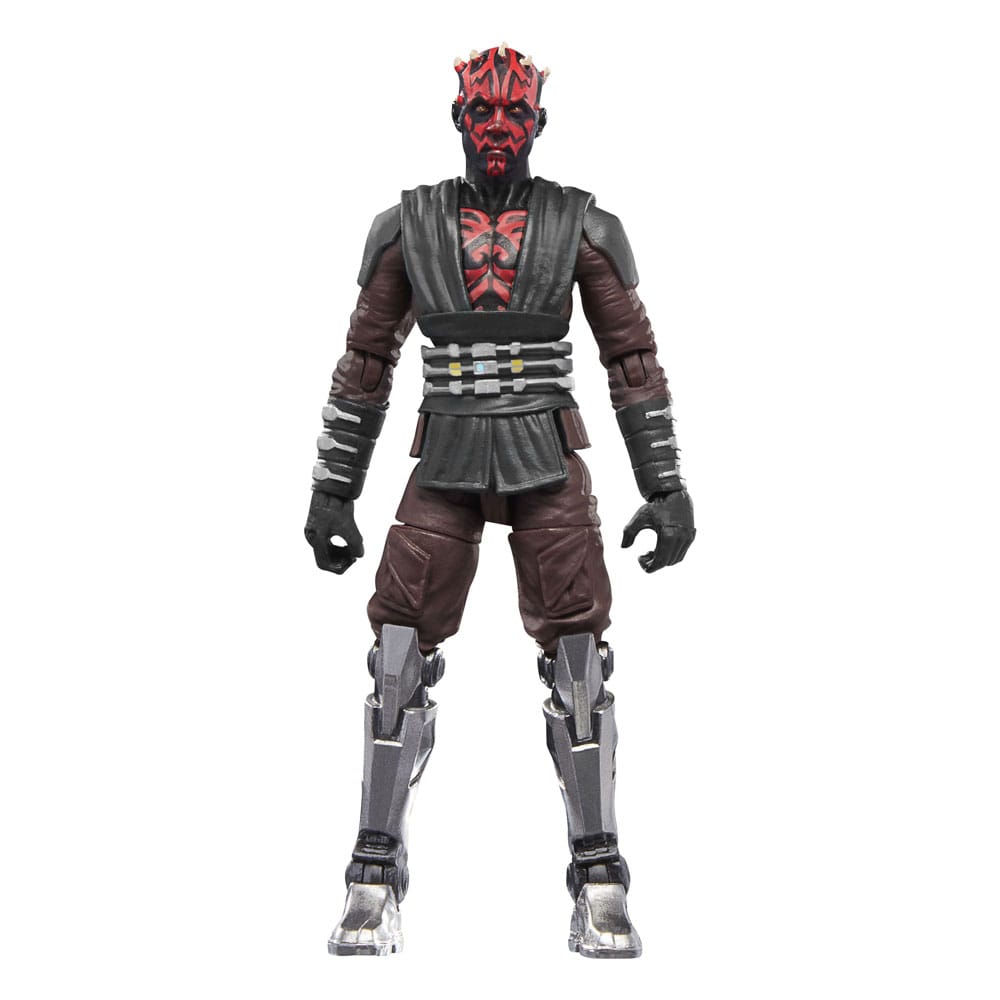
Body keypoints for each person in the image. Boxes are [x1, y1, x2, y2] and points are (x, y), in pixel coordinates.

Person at [304, 44, 695, 957]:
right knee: (396, 657)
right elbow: (366, 362)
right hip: (444, 455)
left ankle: (599, 874)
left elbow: (632, 361)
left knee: (580, 664)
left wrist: (665, 485)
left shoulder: (582, 225)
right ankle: (373, 872)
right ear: (457, 118)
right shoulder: (406, 227)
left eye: (513, 114)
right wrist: (333, 488)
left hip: (545, 457)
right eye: (482, 113)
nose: (497, 129)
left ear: (538, 123)